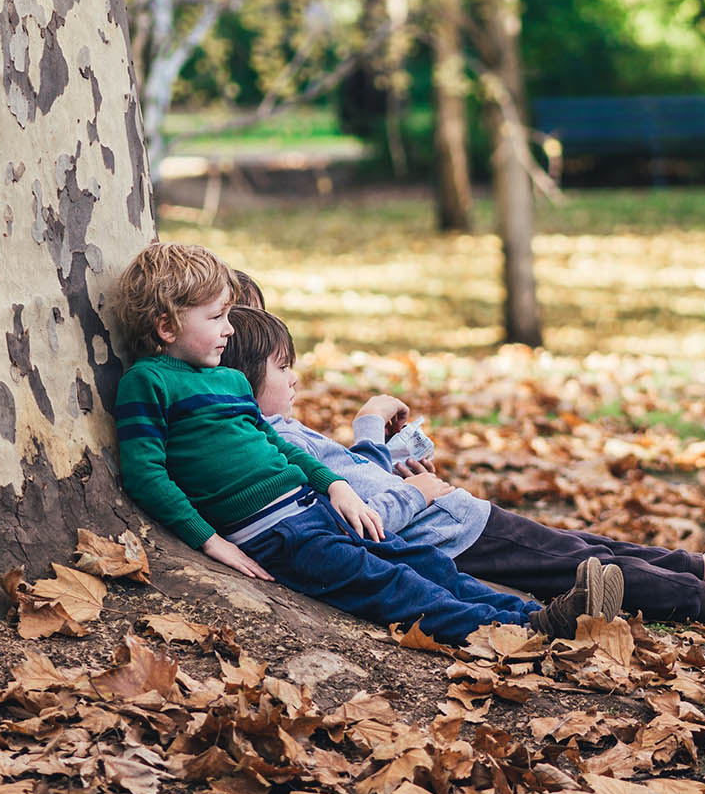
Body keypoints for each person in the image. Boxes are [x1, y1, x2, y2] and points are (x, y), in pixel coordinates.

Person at [219, 303, 705, 630]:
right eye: (284, 368)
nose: (297, 378)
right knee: (599, 570)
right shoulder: (268, 440)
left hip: (460, 518)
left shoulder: (273, 427)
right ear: (245, 379)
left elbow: (363, 480)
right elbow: (366, 504)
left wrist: (395, 455)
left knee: (596, 546)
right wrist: (394, 460)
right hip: (452, 537)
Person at [112, 242, 625, 644]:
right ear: (166, 324)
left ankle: (542, 616)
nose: (229, 330)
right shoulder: (149, 383)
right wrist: (209, 541)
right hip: (276, 535)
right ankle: (516, 635)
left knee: (424, 564)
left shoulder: (229, 381)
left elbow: (279, 448)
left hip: (315, 507)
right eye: (216, 317)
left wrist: (336, 486)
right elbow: (146, 474)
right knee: (392, 587)